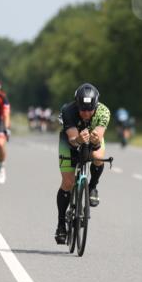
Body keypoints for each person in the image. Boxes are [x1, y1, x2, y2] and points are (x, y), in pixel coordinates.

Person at [53, 83, 111, 244]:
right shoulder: (68, 110)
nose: (86, 113)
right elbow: (72, 139)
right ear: (77, 105)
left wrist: (95, 140)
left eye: (89, 110)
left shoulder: (104, 111)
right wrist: (78, 139)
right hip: (69, 140)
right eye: (82, 109)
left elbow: (99, 135)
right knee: (68, 182)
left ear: (96, 106)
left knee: (98, 157)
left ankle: (92, 187)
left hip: (92, 140)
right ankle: (60, 225)